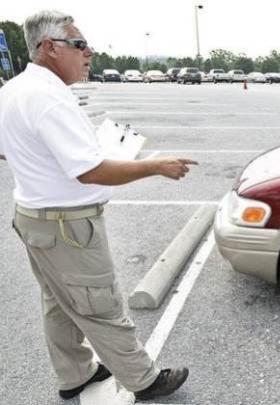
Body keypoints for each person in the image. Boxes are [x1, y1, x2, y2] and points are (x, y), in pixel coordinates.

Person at [0, 10, 195, 401]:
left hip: (35, 219)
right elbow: (90, 171)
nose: (89, 52)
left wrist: (43, 164)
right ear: (50, 47)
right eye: (79, 44)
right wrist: (156, 165)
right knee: (99, 305)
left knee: (59, 303)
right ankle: (144, 380)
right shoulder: (49, 99)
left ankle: (75, 374)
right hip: (67, 226)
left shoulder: (14, 90)